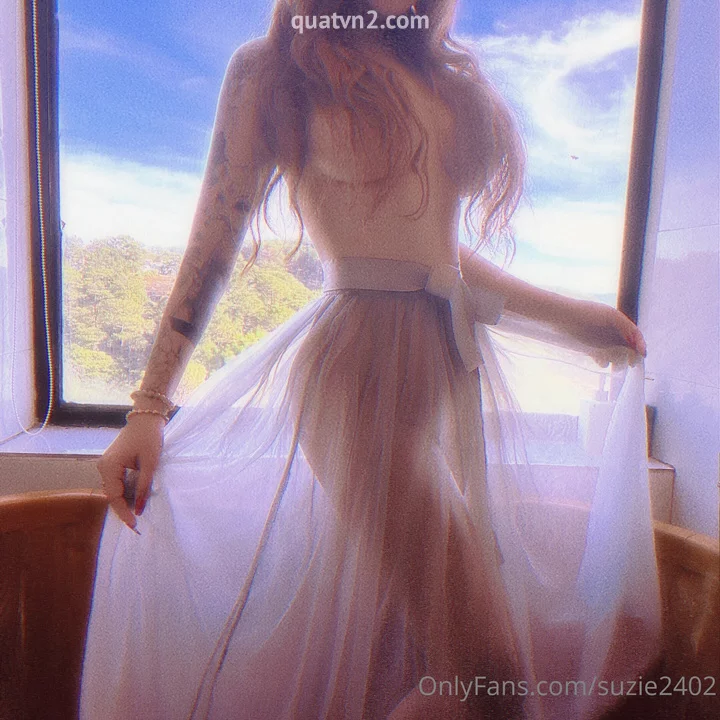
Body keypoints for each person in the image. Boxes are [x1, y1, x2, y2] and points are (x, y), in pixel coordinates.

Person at [81, 1, 661, 718]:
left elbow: (441, 261)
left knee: (438, 665)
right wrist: (148, 407)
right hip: (358, 387)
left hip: (445, 380)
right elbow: (213, 239)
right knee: (489, 679)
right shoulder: (276, 68)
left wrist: (576, 319)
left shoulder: (433, 72)